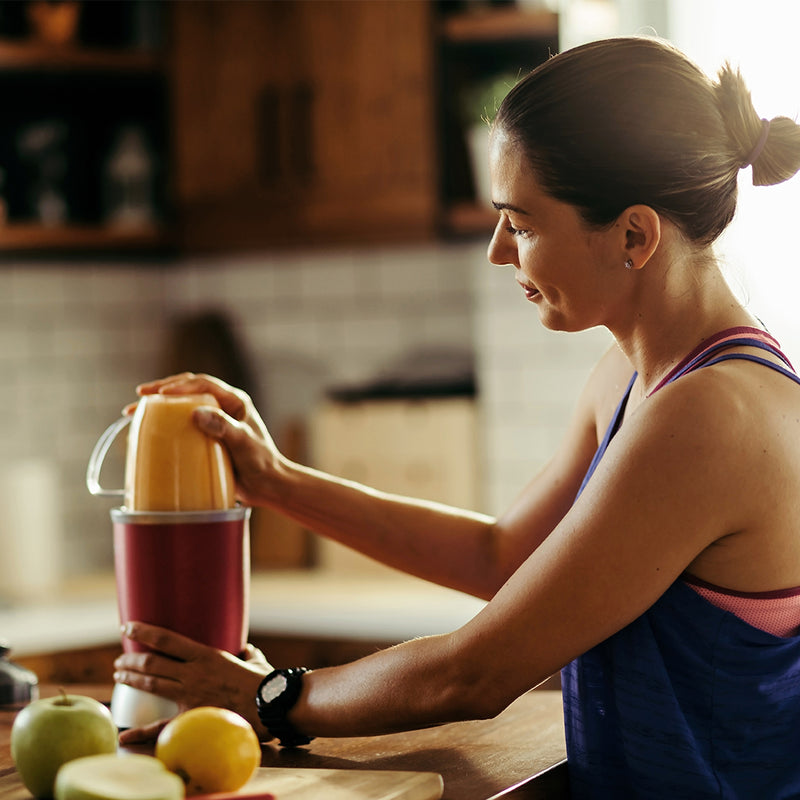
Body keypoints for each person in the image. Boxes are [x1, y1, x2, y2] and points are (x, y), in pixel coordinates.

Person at [113, 36, 800, 798]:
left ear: (635, 236)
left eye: (524, 223)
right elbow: (502, 558)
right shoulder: (635, 379)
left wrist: (268, 697)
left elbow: (476, 674)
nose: (500, 252)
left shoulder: (713, 415)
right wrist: (275, 481)